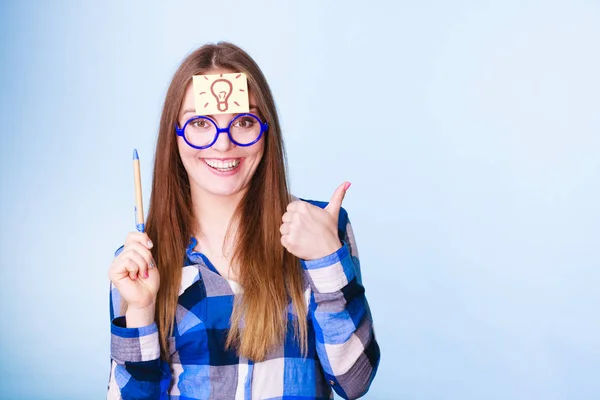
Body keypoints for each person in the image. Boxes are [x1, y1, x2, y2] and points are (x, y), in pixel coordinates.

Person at [107, 42, 380, 399]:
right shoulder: (139, 262)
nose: (223, 144)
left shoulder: (321, 229)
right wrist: (141, 310)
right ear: (174, 136)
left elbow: (354, 382)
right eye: (201, 123)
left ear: (265, 132)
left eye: (245, 121)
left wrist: (326, 259)